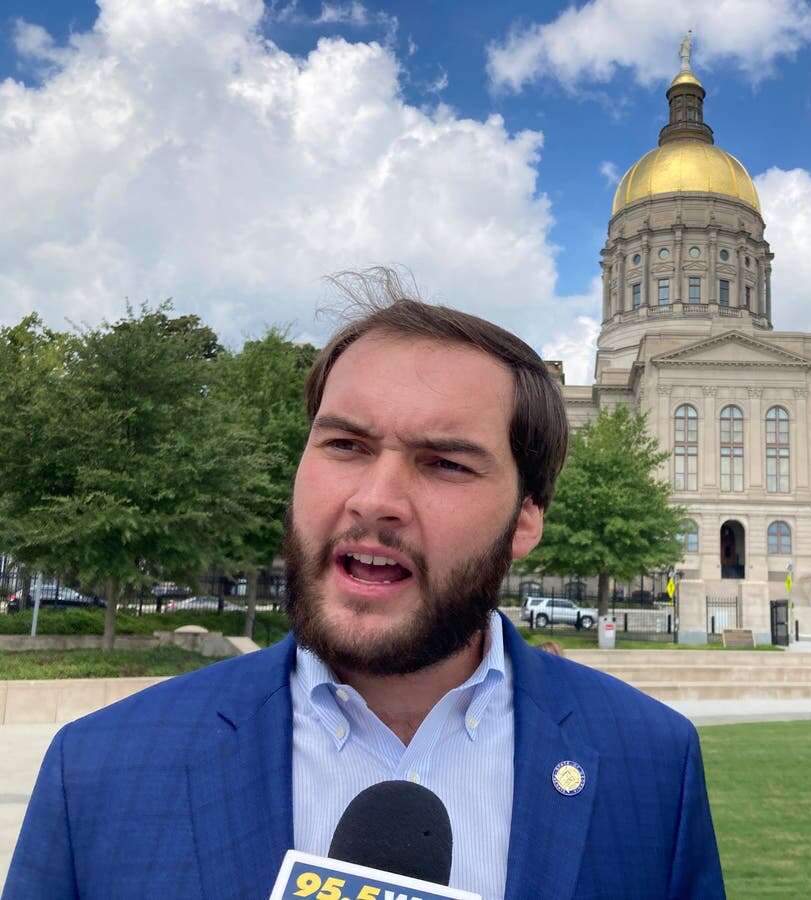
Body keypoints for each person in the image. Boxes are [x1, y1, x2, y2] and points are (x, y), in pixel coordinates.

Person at [3, 268, 725, 900]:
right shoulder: (99, 770)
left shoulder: (651, 767)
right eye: (345, 445)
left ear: (525, 520)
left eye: (444, 462)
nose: (375, 498)